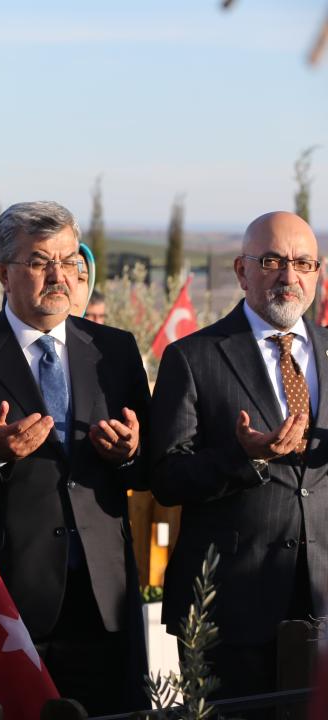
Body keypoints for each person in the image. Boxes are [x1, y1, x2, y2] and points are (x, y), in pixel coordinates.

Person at [0, 201, 150, 714]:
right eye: (40, 261)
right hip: (10, 600)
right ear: (4, 271)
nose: (59, 276)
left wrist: (131, 453)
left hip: (103, 595)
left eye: (70, 261)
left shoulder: (115, 350)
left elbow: (153, 461)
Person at [147, 210, 327, 703]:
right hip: (230, 606)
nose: (289, 277)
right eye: (272, 261)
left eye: (303, 263)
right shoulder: (194, 357)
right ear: (242, 271)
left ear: (318, 272)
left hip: (323, 600)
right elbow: (164, 476)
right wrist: (246, 459)